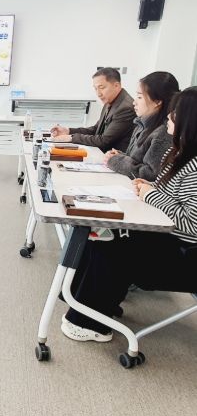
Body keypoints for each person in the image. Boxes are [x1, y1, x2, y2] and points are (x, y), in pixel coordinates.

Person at [61, 87, 197, 343]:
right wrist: (150, 187)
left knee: (112, 248)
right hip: (168, 238)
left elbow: (192, 224)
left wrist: (151, 194)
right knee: (103, 236)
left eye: (175, 113)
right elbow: (172, 195)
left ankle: (88, 321)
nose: (169, 117)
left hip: (185, 253)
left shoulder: (194, 165)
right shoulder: (180, 153)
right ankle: (87, 305)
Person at [104, 71, 178, 180]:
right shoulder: (142, 124)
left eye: (139, 97)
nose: (134, 102)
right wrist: (119, 156)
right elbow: (136, 160)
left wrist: (115, 160)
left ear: (157, 101)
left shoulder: (163, 133)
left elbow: (151, 174)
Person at [51, 67, 135, 151]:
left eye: (101, 87)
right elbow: (95, 130)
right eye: (95, 88)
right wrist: (68, 131)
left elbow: (104, 141)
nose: (98, 94)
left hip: (113, 156)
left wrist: (71, 138)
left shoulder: (125, 108)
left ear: (116, 85)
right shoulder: (110, 100)